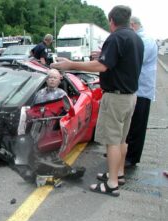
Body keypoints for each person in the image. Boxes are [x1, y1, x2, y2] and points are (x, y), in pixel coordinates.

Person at [51, 5, 144, 197]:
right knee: (121, 139)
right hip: (130, 96)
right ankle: (118, 174)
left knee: (112, 142)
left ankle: (111, 184)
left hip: (116, 97)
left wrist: (70, 64)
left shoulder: (116, 37)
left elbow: (101, 66)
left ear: (112, 21)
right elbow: (117, 63)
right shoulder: (135, 38)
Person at [124, 16, 158, 169]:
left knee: (138, 125)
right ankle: (124, 152)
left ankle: (132, 157)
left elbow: (136, 60)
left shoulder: (145, 40)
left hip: (142, 90)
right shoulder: (139, 38)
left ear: (132, 25)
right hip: (135, 89)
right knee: (130, 124)